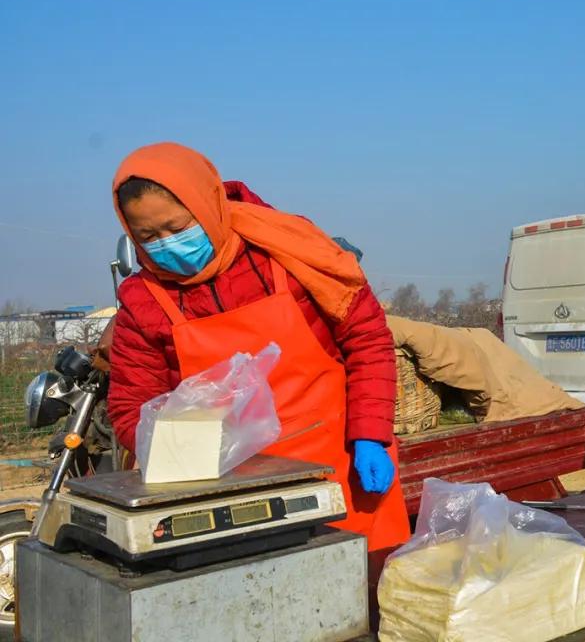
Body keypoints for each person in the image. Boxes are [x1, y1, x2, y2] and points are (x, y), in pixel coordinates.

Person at [107, 142, 409, 551]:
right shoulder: (144, 301)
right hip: (231, 495)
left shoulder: (287, 251)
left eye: (177, 229)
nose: (167, 244)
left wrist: (371, 434)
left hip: (339, 467)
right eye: (149, 236)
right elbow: (131, 406)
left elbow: (367, 338)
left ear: (207, 203)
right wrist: (176, 452)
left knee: (371, 594)